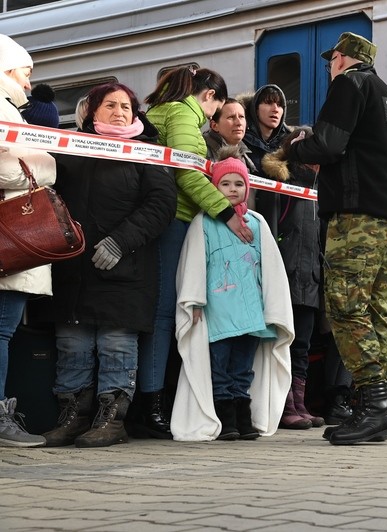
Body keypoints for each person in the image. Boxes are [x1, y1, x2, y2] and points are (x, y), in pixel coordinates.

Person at [285, 32, 387, 445]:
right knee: (374, 310)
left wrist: (295, 149)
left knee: (344, 305)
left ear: (343, 58)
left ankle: (374, 406)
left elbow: (328, 144)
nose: (329, 66)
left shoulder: (350, 84)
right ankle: (376, 406)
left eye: (331, 59)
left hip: (358, 216)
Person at [42, 82, 177, 448]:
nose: (120, 113)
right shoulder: (72, 149)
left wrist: (121, 240)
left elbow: (161, 205)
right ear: (92, 111)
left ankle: (112, 421)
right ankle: (73, 417)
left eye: (126, 107)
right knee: (72, 344)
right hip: (75, 269)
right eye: (110, 106)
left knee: (116, 344)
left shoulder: (148, 152)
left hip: (126, 269)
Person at [134, 66, 250, 440]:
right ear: (210, 97)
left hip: (173, 219)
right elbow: (186, 172)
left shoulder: (170, 110)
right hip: (174, 220)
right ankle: (152, 405)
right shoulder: (185, 112)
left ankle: (158, 401)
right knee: (168, 312)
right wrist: (228, 213)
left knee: (170, 312)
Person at [172, 149, 292, 441]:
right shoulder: (204, 222)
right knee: (220, 366)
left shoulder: (258, 222)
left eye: (239, 184)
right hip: (219, 312)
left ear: (247, 189)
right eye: (225, 184)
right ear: (214, 187)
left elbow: (270, 268)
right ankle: (226, 418)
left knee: (243, 368)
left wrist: (272, 306)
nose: (233, 189)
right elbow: (195, 264)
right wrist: (195, 301)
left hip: (252, 315)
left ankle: (243, 415)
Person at [0, 34, 55, 448]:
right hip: (11, 237)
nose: (29, 83)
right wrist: (44, 168)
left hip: (10, 236)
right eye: (25, 72)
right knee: (1, 331)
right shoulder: (3, 112)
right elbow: (7, 172)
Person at [261, 126, 325, 430]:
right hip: (285, 274)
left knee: (302, 345)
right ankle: (283, 402)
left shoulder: (320, 189)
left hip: (310, 278)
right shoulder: (280, 181)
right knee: (282, 343)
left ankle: (298, 402)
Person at [242, 84, 290, 237]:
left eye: (280, 105)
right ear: (256, 109)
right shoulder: (241, 141)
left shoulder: (289, 145)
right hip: (249, 221)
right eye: (269, 103)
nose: (275, 109)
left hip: (283, 223)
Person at [203, 97, 258, 174]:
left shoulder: (246, 154)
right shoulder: (202, 150)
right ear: (214, 125)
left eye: (241, 117)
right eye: (231, 117)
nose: (239, 123)